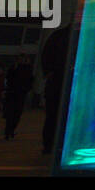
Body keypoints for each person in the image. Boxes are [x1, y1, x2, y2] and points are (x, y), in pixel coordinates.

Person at [40, 27, 71, 155]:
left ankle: (50, 145)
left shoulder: (58, 35)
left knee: (52, 117)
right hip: (59, 85)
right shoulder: (66, 35)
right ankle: (55, 145)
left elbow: (46, 58)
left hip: (55, 85)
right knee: (57, 117)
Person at [2, 55, 35, 139]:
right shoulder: (26, 70)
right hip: (18, 94)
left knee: (13, 114)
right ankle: (10, 130)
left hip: (15, 93)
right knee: (15, 114)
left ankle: (9, 131)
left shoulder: (16, 69)